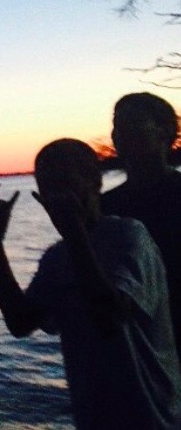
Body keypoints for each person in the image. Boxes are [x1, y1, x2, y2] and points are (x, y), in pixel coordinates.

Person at [0, 138, 181, 430]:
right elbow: (20, 322)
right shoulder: (57, 258)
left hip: (155, 419)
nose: (58, 196)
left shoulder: (129, 236)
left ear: (96, 181)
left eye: (66, 182)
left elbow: (109, 317)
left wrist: (74, 233)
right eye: (48, 186)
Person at [102, 92, 181, 360]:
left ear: (166, 131)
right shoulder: (105, 206)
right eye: (117, 124)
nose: (121, 133)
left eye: (133, 122)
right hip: (130, 349)